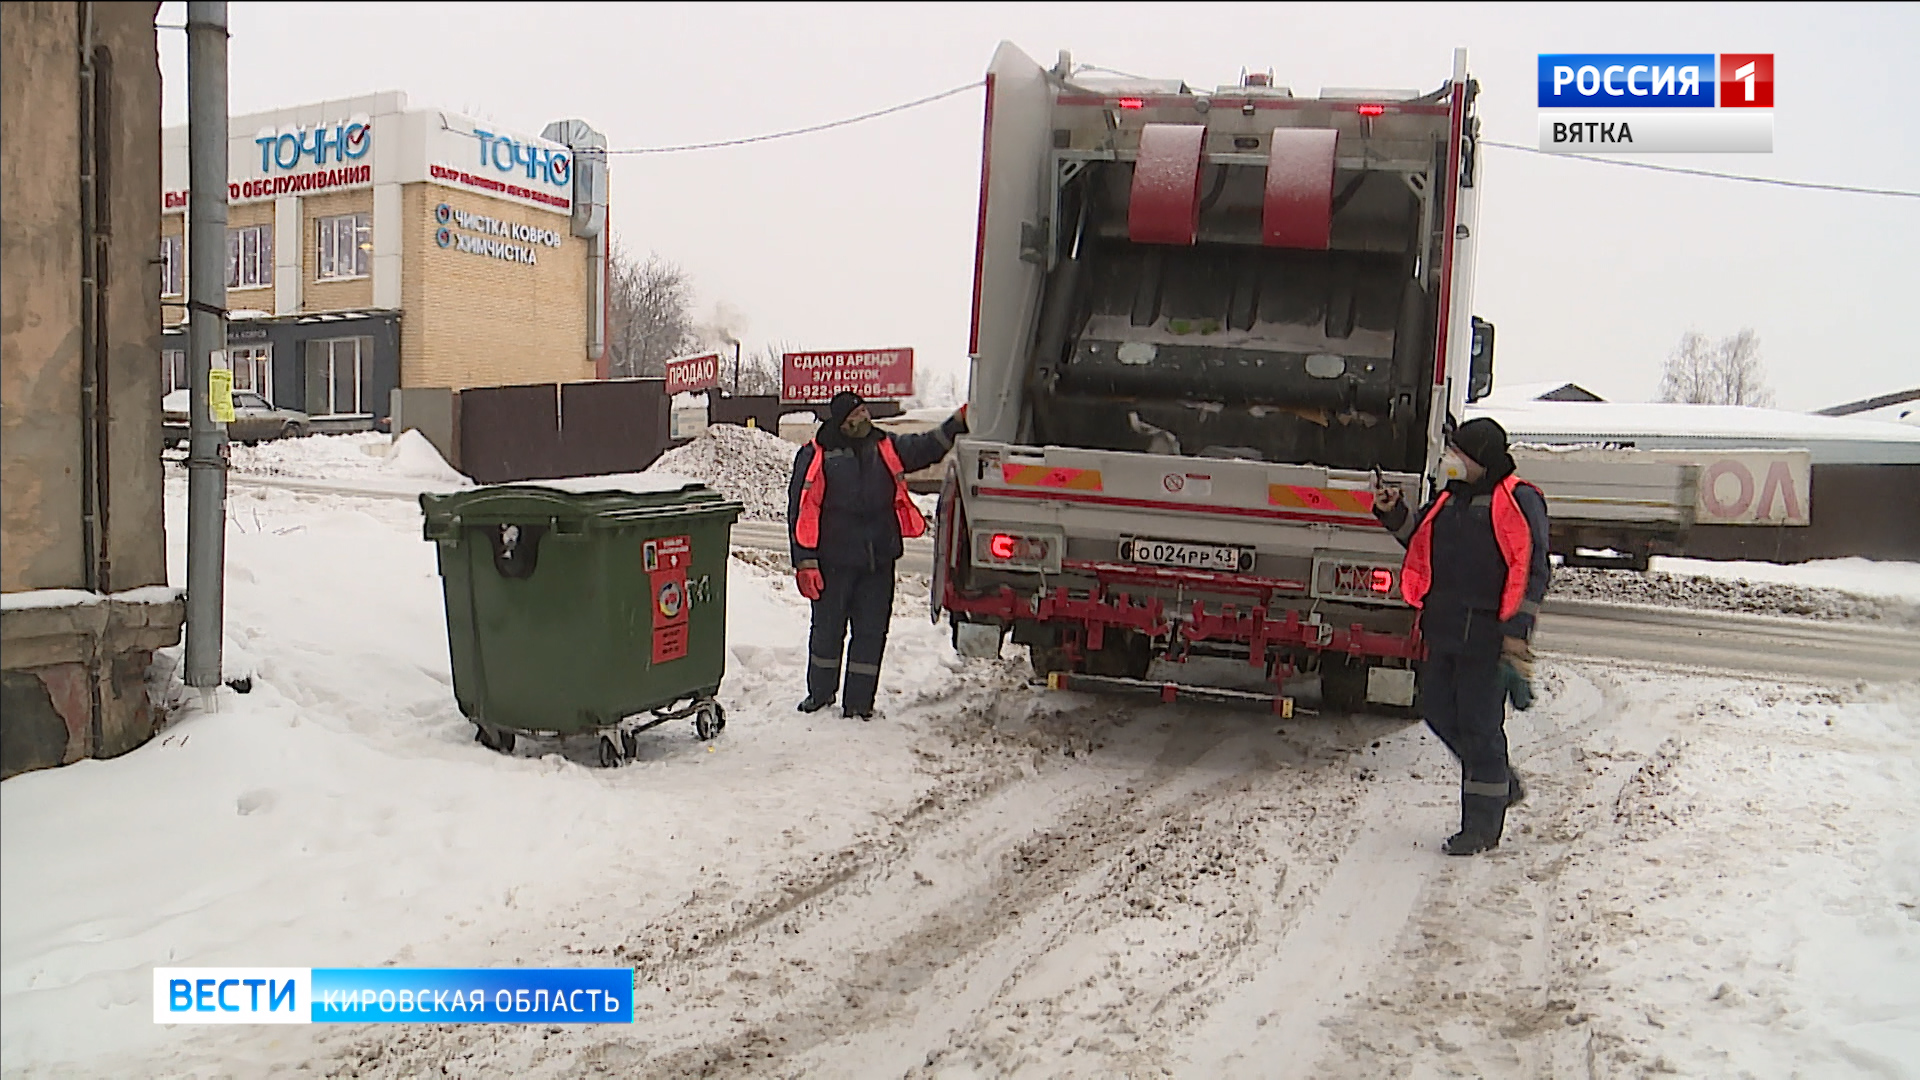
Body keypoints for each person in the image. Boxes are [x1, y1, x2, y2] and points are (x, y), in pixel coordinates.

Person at [1374, 417, 1550, 855]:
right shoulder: (1449, 500)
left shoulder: (1519, 500)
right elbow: (1421, 542)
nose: (1452, 461)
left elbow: (1534, 570)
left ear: (1481, 458)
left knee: (1480, 729)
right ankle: (1500, 781)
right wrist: (1393, 513)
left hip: (1487, 637)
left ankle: (1481, 829)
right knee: (1435, 710)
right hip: (1443, 630)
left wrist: (1517, 632)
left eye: (1460, 454)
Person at [788, 391, 968, 719]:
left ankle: (859, 704)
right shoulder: (817, 454)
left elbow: (926, 447)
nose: (864, 418)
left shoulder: (885, 447)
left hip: (878, 562)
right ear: (842, 421)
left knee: (871, 633)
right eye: (856, 414)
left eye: (865, 411)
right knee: (827, 632)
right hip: (834, 563)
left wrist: (955, 424)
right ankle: (820, 695)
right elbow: (800, 510)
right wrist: (805, 561)